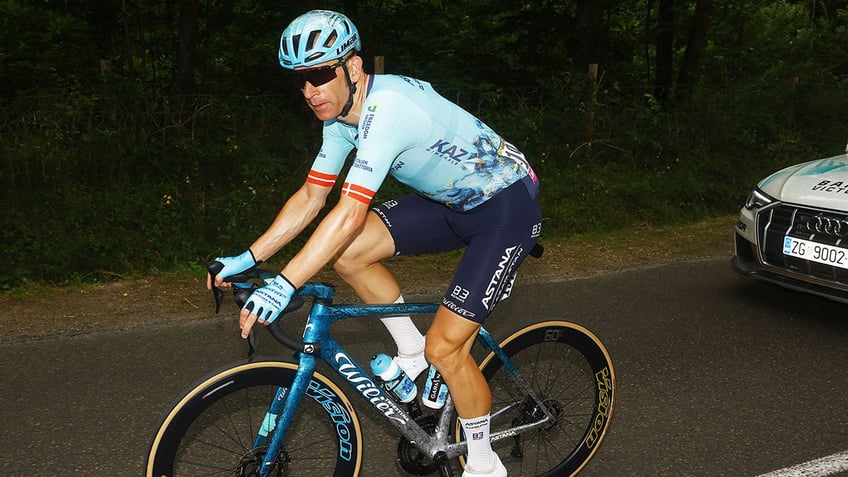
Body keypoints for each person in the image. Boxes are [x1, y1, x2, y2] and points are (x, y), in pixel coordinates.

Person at [207, 10, 541, 477]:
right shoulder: (341, 118)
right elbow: (311, 197)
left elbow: (346, 213)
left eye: (320, 74)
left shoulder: (389, 109)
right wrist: (248, 256)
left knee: (448, 349)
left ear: (354, 68)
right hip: (451, 202)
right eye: (300, 80)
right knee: (349, 253)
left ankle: (485, 465)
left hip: (505, 208)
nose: (310, 91)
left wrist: (284, 283)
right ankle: (411, 350)